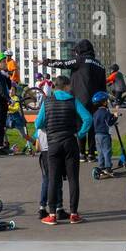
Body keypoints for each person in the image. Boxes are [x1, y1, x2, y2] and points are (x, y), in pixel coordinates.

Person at [35, 75, 92, 225]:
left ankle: (52, 214)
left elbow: (37, 124)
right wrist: (79, 134)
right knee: (73, 179)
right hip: (70, 143)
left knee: (53, 179)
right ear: (66, 86)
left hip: (53, 144)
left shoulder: (47, 102)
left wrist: (49, 128)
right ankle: (74, 213)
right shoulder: (73, 101)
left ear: (55, 86)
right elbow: (88, 118)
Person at [92, 94, 119, 178]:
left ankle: (101, 166)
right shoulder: (105, 112)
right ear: (103, 103)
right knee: (107, 151)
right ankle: (108, 168)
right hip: (104, 135)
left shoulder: (96, 113)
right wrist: (115, 116)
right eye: (106, 100)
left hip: (97, 135)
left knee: (100, 152)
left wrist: (112, 116)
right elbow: (109, 122)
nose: (107, 102)